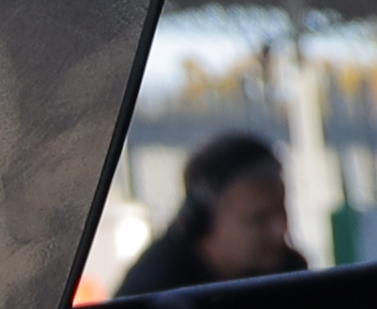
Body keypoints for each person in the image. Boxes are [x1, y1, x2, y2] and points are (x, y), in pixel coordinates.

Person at [113, 128, 303, 298]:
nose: (281, 231)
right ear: (203, 220)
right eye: (259, 219)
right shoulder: (152, 291)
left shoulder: (289, 270)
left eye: (282, 212)